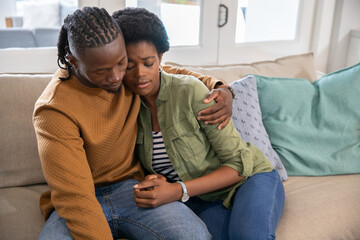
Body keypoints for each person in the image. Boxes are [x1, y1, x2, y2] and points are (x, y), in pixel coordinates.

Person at [33, 6, 235, 240]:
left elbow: (166, 73)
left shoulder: (128, 76)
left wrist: (222, 88)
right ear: (73, 61)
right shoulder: (53, 109)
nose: (117, 76)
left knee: (196, 236)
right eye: (102, 71)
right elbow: (75, 199)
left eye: (122, 63)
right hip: (80, 197)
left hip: (131, 188)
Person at [112, 7, 285, 240]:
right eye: (130, 66)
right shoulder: (125, 106)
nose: (140, 74)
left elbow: (238, 164)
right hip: (202, 199)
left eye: (148, 63)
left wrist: (177, 190)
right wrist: (159, 180)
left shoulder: (189, 91)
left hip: (249, 178)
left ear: (161, 58)